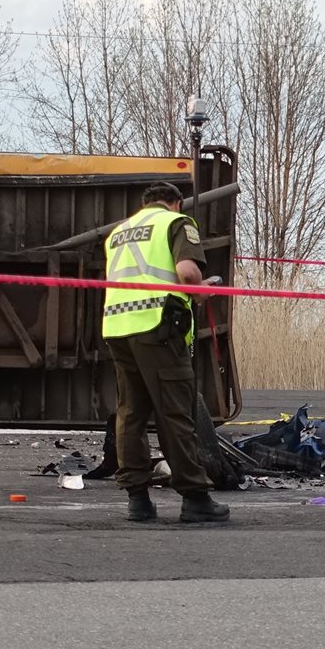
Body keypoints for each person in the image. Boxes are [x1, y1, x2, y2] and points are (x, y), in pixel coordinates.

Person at [102, 181, 229, 523]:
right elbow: (187, 273)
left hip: (117, 327)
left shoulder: (118, 232)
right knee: (174, 412)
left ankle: (138, 501)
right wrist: (201, 291)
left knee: (131, 413)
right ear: (175, 203)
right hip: (158, 326)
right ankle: (195, 498)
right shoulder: (176, 223)